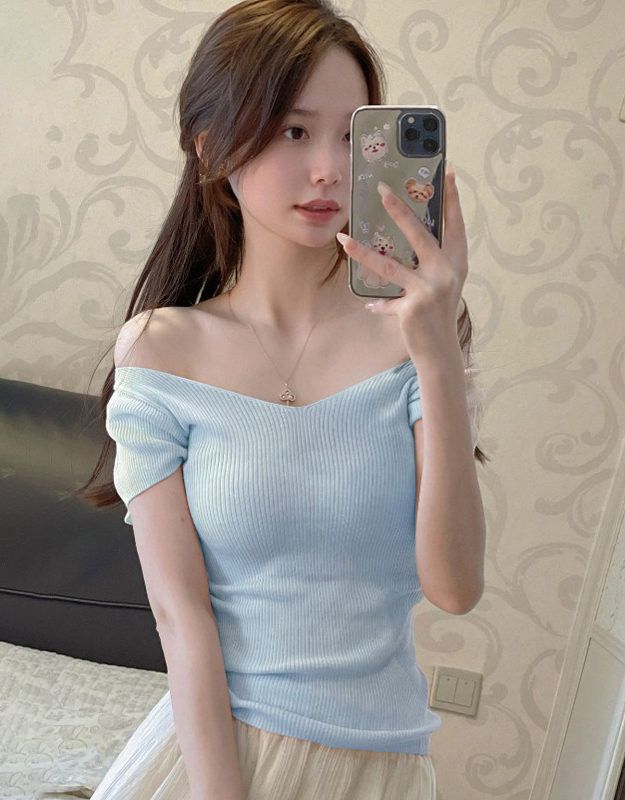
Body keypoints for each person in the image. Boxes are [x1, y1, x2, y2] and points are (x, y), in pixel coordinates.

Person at [76, 1, 489, 798]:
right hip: (215, 762)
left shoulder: (417, 334)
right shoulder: (163, 350)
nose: (328, 168)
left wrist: (437, 349)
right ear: (211, 146)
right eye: (294, 131)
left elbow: (455, 586)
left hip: (382, 768)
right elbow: (182, 619)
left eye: (351, 137)